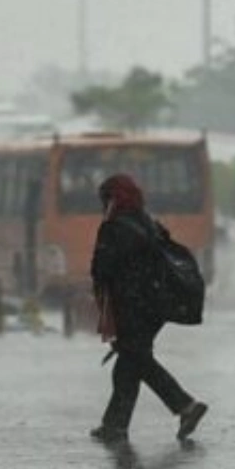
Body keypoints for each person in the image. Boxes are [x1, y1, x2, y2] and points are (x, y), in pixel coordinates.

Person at [89, 173, 208, 443]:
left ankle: (186, 406)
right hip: (156, 306)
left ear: (111, 199)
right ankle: (114, 426)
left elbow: (101, 269)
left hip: (131, 307)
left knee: (137, 360)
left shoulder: (113, 228)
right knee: (128, 364)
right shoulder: (148, 223)